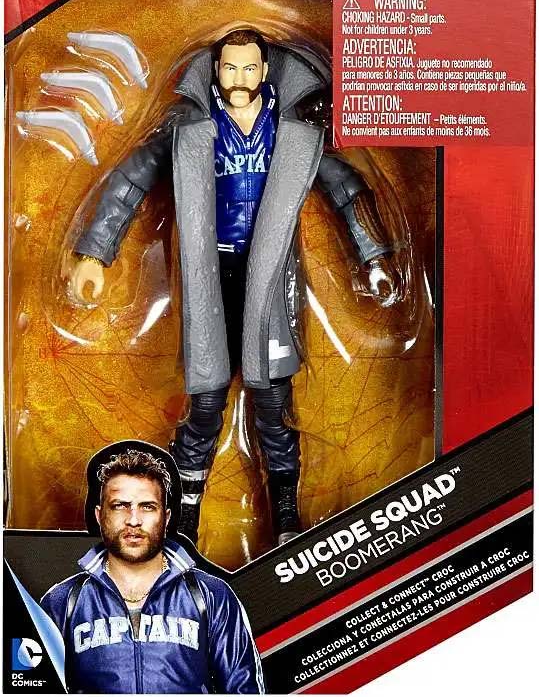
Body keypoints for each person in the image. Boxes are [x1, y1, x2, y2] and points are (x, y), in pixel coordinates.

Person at [69, 29, 399, 545]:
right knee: (205, 403)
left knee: (271, 401)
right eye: (229, 67)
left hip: (271, 276)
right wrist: (94, 253)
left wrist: (374, 257)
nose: (239, 78)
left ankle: (286, 515)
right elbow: (131, 179)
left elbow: (344, 187)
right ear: (216, 70)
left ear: (264, 72)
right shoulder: (192, 129)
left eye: (249, 68)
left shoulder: (290, 131)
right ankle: (185, 519)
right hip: (210, 273)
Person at [41, 444, 264, 694]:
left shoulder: (211, 595)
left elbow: (244, 690)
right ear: (99, 515)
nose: (134, 520)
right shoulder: (63, 602)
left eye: (147, 506)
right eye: (120, 506)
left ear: (166, 517)